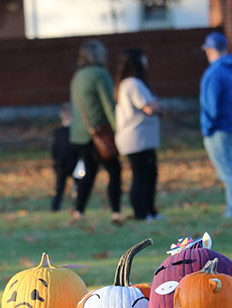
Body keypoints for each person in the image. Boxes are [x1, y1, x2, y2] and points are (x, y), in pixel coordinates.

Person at [69, 39, 123, 224]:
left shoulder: (77, 76)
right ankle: (116, 211)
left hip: (78, 133)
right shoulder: (100, 74)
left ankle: (79, 210)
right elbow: (108, 104)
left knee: (90, 172)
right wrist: (119, 129)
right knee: (114, 170)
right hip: (99, 133)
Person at [200, 32, 232, 219]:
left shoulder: (214, 73)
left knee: (228, 172)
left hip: (220, 130)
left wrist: (207, 128)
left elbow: (210, 105)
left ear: (210, 49)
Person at [114, 48, 163, 221]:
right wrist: (159, 107)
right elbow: (149, 107)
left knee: (149, 175)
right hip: (137, 139)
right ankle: (141, 213)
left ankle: (150, 211)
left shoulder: (127, 83)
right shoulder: (133, 83)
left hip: (140, 140)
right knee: (142, 176)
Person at [50, 103, 80, 211]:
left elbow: (54, 151)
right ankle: (78, 207)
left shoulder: (58, 133)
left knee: (60, 188)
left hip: (62, 164)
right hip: (71, 163)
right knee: (76, 186)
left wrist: (55, 163)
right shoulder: (75, 131)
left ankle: (55, 207)